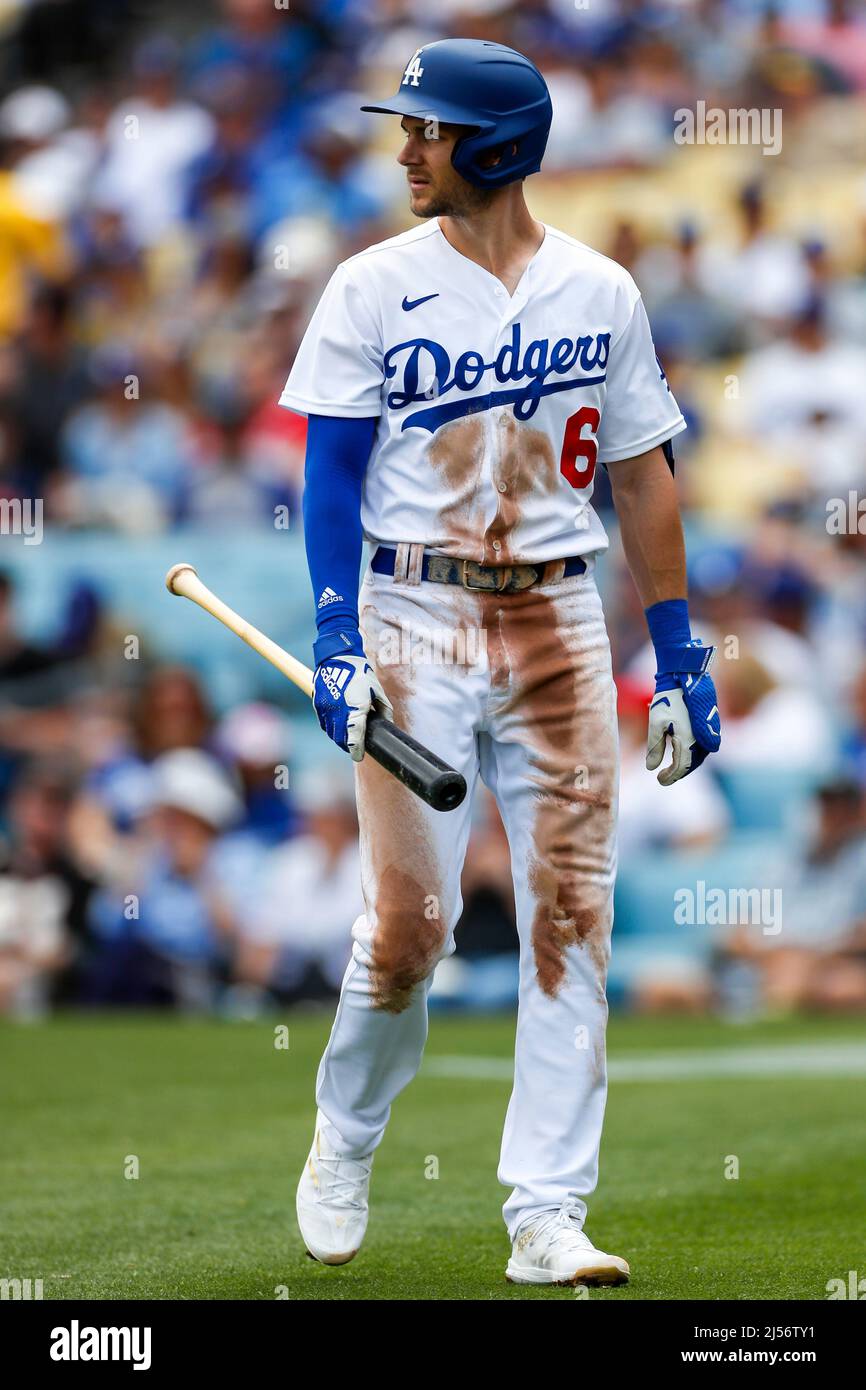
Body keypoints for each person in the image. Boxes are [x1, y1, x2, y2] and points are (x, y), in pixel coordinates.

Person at [279, 38, 721, 1288]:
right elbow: (330, 470)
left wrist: (680, 652)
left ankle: (545, 1213)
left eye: (427, 128)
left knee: (572, 918)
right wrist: (331, 631)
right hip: (410, 608)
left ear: (495, 146)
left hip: (555, 619)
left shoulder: (601, 293)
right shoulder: (370, 284)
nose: (405, 146)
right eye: (406, 125)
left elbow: (640, 472)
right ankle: (346, 1135)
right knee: (411, 928)